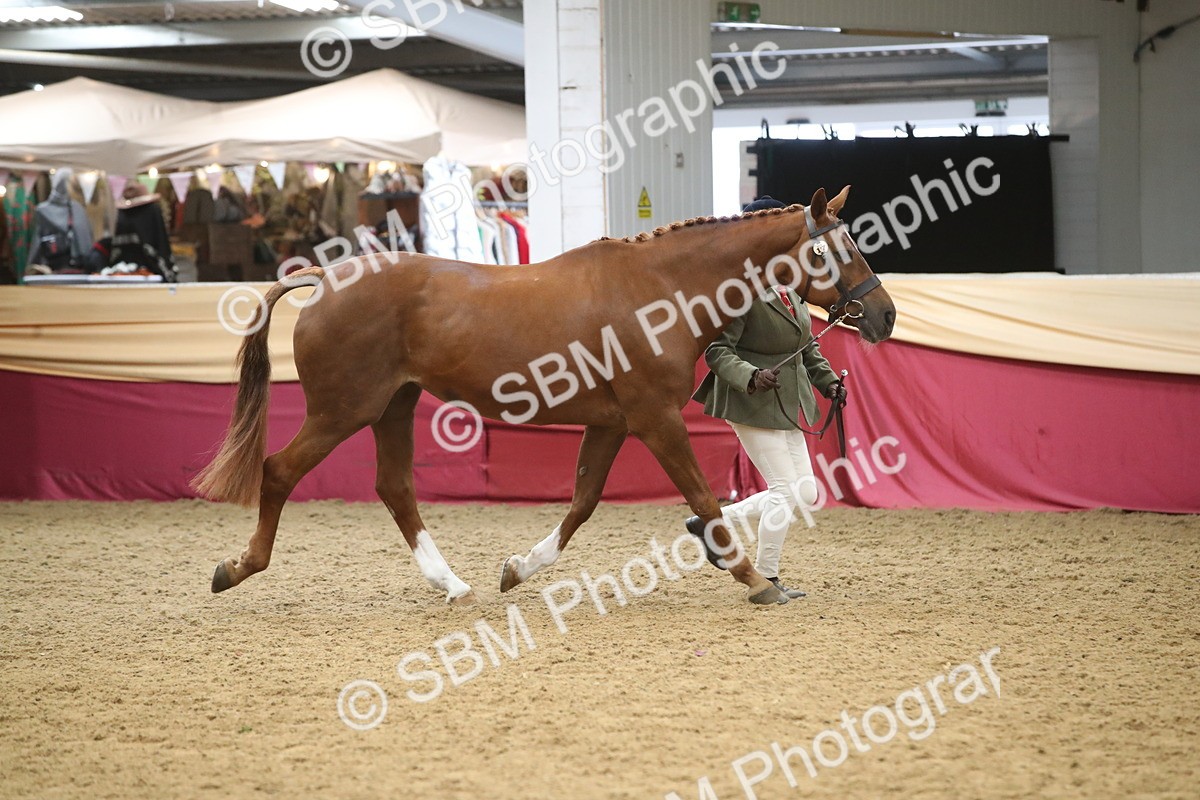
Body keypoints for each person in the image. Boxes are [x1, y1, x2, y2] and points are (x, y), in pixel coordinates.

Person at [687, 195, 848, 599]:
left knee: (806, 493)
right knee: (783, 491)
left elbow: (807, 345)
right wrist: (752, 376)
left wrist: (827, 382)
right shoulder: (739, 293)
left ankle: (712, 521)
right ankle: (768, 579)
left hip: (786, 401)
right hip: (749, 399)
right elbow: (716, 351)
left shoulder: (792, 290)